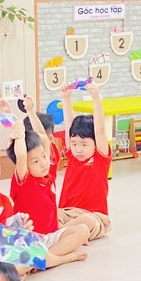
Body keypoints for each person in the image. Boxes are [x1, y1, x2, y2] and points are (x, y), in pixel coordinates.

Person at [7, 117, 90, 268]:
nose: (44, 163)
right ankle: (52, 259)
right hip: (30, 240)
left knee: (84, 228)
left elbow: (45, 140)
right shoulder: (25, 181)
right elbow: (21, 156)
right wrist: (18, 132)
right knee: (79, 230)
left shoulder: (47, 174)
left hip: (50, 236)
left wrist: (31, 114)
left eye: (44, 156)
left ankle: (43, 258)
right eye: (35, 161)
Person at [57, 82, 112, 239]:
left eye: (84, 144)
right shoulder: (72, 156)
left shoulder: (100, 157)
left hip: (94, 216)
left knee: (86, 221)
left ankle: (58, 233)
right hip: (68, 212)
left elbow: (100, 130)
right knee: (51, 212)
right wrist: (66, 99)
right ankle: (64, 232)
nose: (78, 149)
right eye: (74, 144)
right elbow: (69, 125)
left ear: (95, 144)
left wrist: (96, 98)